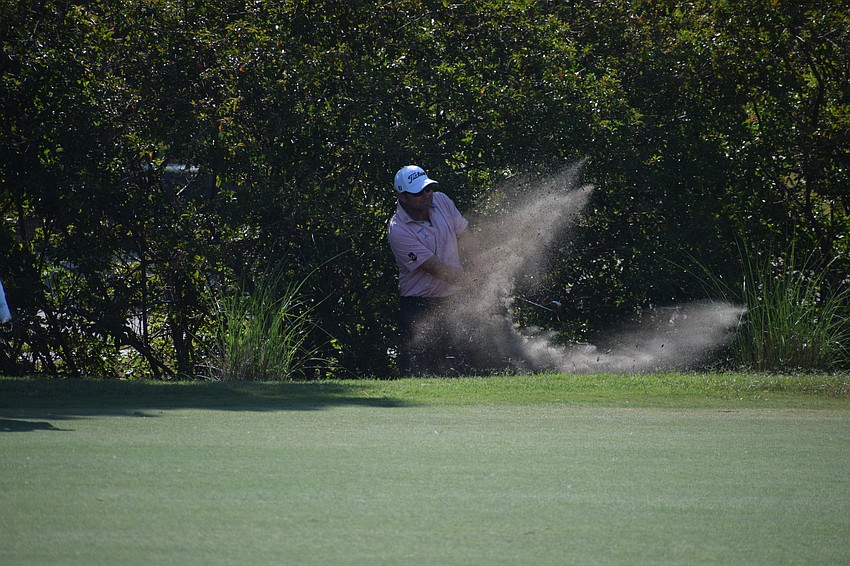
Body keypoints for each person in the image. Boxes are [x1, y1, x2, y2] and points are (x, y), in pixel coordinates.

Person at [387, 165, 469, 374]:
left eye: (428, 188)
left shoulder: (441, 200)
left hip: (452, 299)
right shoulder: (398, 230)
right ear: (402, 197)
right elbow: (434, 268)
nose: (426, 195)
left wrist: (485, 266)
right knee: (419, 370)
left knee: (460, 367)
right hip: (418, 305)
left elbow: (466, 238)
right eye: (418, 192)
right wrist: (474, 283)